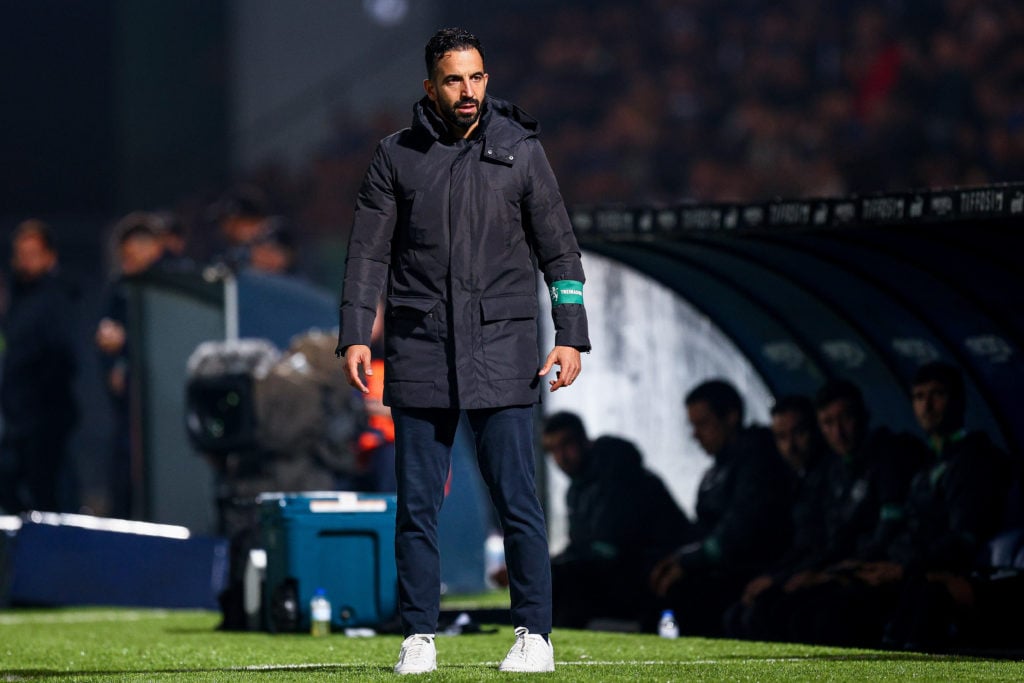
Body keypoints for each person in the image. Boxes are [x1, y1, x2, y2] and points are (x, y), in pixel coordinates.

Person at [336, 28, 589, 674]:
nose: (469, 91)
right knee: (417, 504)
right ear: (431, 87)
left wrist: (570, 334)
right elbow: (366, 253)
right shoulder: (396, 157)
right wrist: (355, 333)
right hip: (420, 348)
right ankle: (419, 634)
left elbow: (560, 249)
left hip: (504, 349)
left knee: (518, 502)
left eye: (477, 77)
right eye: (454, 80)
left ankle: (535, 634)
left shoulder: (523, 151)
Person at [648, 379, 793, 636]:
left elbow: (742, 529)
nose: (695, 435)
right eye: (692, 426)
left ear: (731, 417)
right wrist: (677, 557)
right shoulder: (715, 471)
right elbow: (702, 530)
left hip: (751, 566)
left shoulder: (758, 460)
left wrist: (688, 561)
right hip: (720, 565)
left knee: (686, 593)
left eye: (703, 424)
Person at [540, 411, 692, 629]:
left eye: (566, 445)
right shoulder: (578, 491)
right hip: (624, 572)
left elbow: (610, 547)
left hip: (654, 572)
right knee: (557, 578)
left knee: (563, 581)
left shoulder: (618, 475)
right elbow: (581, 547)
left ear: (585, 441)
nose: (561, 457)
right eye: (552, 450)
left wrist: (546, 568)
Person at [723, 394, 832, 640]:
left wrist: (778, 579)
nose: (790, 446)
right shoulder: (793, 480)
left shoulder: (830, 478)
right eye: (781, 438)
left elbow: (827, 543)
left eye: (799, 433)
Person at [0, 220, 79, 513]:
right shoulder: (20, 299)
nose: (25, 261)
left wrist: (43, 407)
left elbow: (62, 356)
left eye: (32, 254)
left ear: (49, 257)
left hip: (44, 418)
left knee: (48, 494)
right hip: (18, 417)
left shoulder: (56, 298)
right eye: (20, 253)